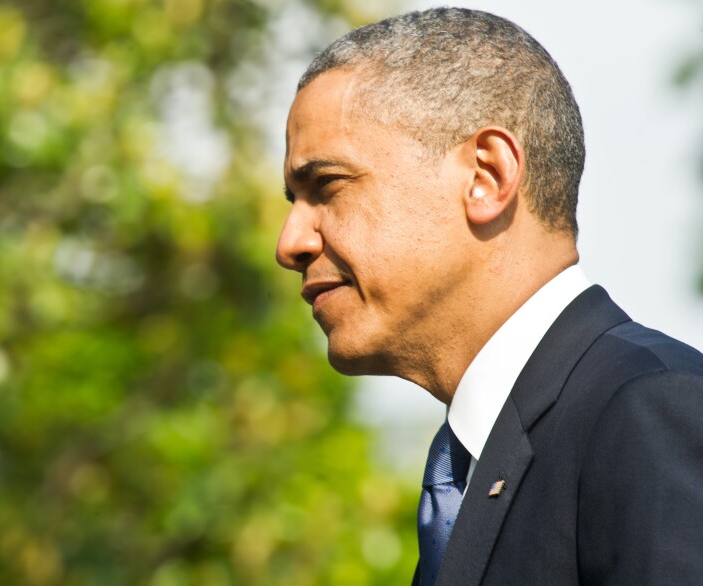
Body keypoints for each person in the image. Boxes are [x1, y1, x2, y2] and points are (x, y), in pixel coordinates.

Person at [275, 7, 703, 585]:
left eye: (327, 185)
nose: (291, 243)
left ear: (487, 177)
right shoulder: (476, 465)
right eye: (292, 201)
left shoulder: (647, 412)